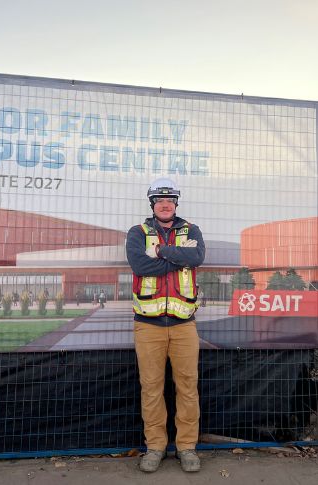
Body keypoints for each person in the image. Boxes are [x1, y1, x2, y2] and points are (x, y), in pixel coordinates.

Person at [125, 178, 206, 473]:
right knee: (151, 388)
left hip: (184, 325)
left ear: (176, 203)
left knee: (187, 387)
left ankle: (187, 448)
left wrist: (160, 251)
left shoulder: (191, 230)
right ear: (152, 204)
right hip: (148, 326)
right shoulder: (138, 232)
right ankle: (156, 446)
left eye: (169, 199)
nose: (164, 203)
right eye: (159, 199)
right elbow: (140, 266)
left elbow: (197, 256)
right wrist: (178, 257)